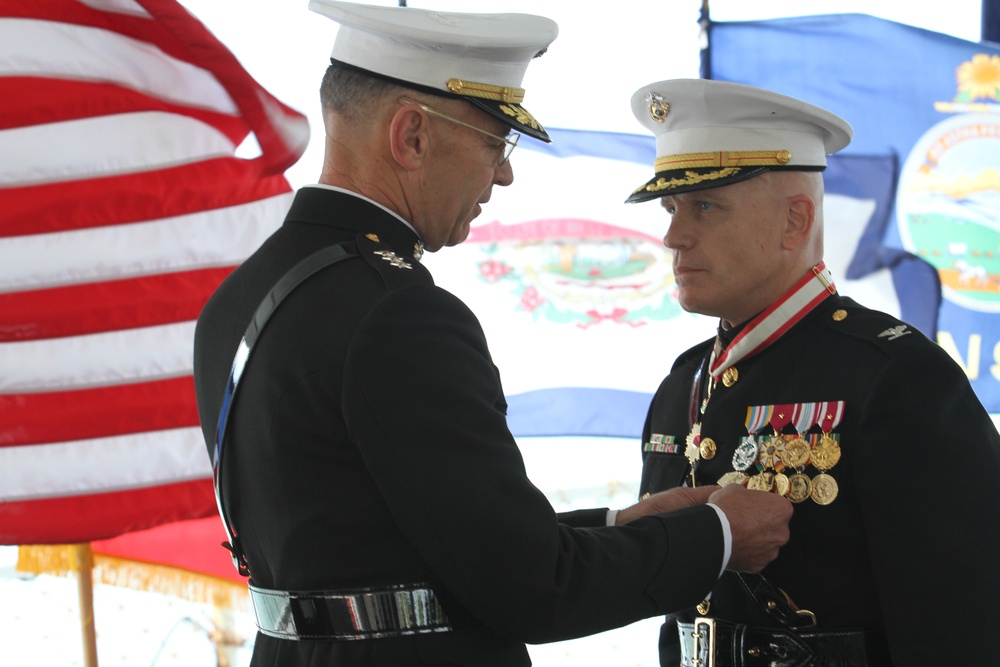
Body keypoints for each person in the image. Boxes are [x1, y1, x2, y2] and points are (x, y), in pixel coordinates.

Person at [192, 3, 794, 665]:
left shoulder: (237, 299)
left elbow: (410, 548)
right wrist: (717, 534)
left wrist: (624, 525)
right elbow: (533, 587)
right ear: (412, 137)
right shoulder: (398, 315)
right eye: (493, 141)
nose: (503, 173)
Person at [625, 77, 1000, 667]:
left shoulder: (896, 377)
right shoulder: (685, 381)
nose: (673, 235)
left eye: (705, 206)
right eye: (671, 208)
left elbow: (965, 623)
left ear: (795, 221)